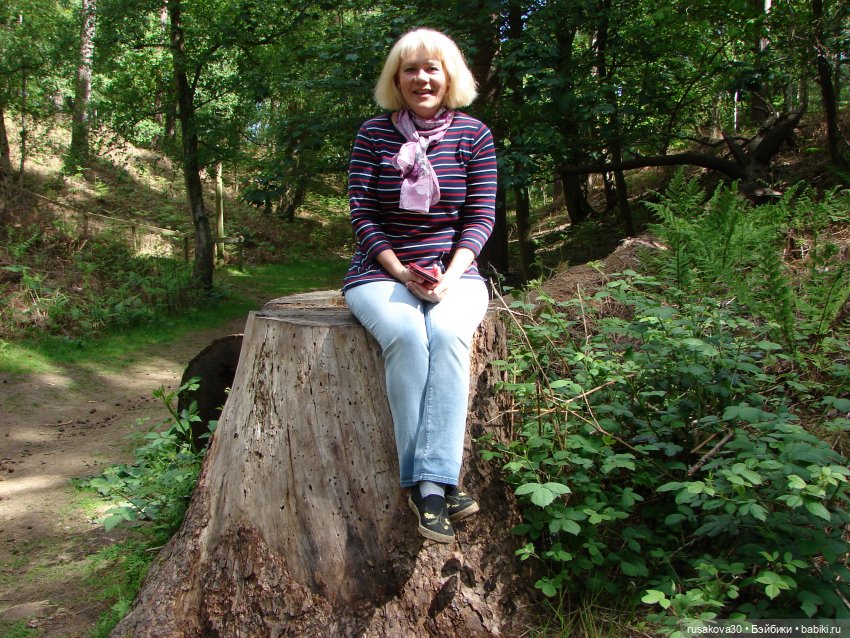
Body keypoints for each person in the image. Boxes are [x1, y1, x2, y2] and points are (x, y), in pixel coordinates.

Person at [342, 28, 497, 543]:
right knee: (408, 336)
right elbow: (362, 215)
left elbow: (480, 217)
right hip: (379, 269)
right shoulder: (373, 135)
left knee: (448, 334)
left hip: (456, 270)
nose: (421, 78)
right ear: (396, 79)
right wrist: (401, 272)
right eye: (410, 69)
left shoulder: (474, 135)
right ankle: (436, 486)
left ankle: (426, 485)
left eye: (432, 68)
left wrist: (449, 276)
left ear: (449, 77)